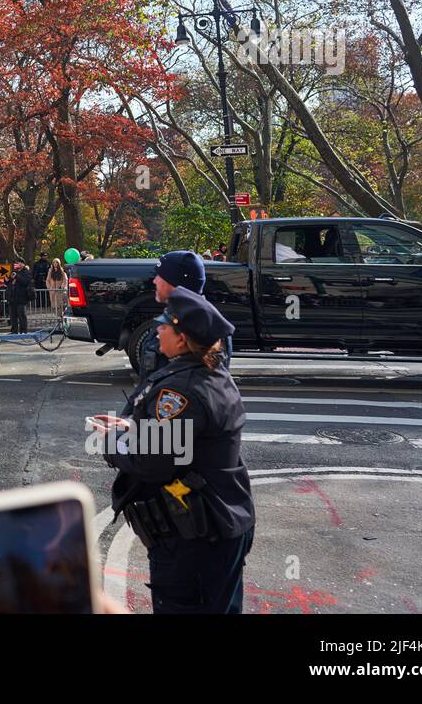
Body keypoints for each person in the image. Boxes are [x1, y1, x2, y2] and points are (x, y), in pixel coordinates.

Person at [93, 288, 255, 613]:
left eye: (164, 326)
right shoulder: (214, 374)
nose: (157, 330)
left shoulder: (179, 390)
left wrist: (111, 443)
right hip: (224, 525)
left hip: (194, 537)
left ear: (182, 340)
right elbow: (188, 439)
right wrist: (135, 427)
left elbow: (153, 463)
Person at [137, 251, 231, 384]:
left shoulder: (193, 325)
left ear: (174, 282)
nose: (155, 280)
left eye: (160, 276)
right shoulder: (187, 317)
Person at [5, 261, 32, 334]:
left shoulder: (26, 272)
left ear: (23, 264)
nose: (17, 264)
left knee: (21, 315)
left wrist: (17, 276)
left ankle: (23, 330)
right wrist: (7, 280)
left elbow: (25, 282)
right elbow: (9, 283)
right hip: (12, 297)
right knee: (13, 316)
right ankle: (14, 330)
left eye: (19, 263)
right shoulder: (14, 271)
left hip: (21, 297)